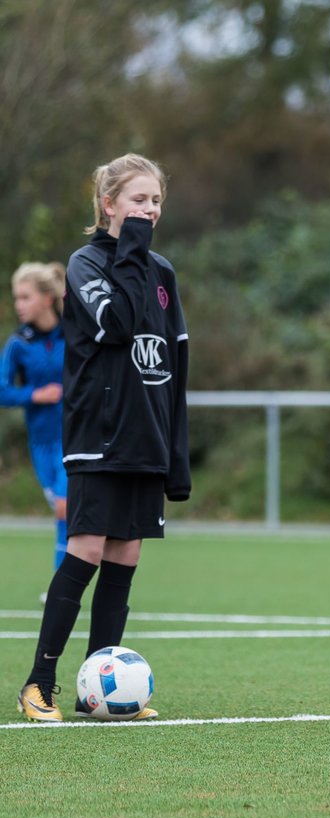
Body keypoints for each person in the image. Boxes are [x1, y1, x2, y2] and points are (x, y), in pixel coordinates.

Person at [17, 153, 191, 723]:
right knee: (87, 548)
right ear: (108, 205)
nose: (149, 210)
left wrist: (176, 454)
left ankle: (98, 688)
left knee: (125, 553)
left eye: (156, 201)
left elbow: (175, 367)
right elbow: (115, 324)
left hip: (147, 438)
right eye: (138, 200)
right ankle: (38, 684)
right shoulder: (85, 263)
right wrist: (133, 247)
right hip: (98, 434)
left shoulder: (163, 273)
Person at [2, 263, 69, 589]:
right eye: (17, 298)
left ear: (46, 299)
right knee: (64, 515)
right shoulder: (18, 344)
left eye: (25, 297)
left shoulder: (74, 333)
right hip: (41, 442)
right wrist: (34, 394)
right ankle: (69, 580)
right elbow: (2, 390)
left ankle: (62, 585)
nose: (19, 304)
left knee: (64, 508)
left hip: (75, 437)